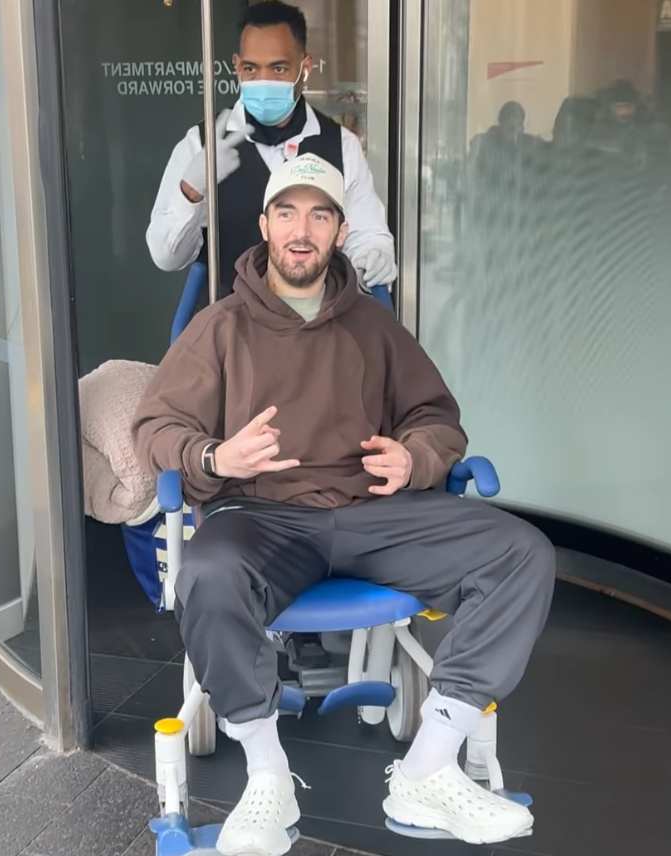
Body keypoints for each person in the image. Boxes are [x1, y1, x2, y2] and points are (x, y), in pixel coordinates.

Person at [133, 154, 556, 855]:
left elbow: (435, 417)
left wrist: (413, 457)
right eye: (288, 213)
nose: (303, 230)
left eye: (320, 214)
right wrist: (216, 458)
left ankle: (427, 770)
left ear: (339, 229)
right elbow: (156, 427)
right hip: (261, 514)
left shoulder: (372, 325)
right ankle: (266, 776)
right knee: (205, 573)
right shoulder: (220, 328)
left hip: (371, 512)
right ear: (265, 224)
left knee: (521, 554)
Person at [146, 0, 396, 298]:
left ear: (305, 68)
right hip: (233, 329)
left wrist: (373, 258)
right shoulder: (201, 145)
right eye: (251, 68)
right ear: (237, 66)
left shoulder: (341, 146)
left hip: (319, 325)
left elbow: (366, 237)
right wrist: (191, 191)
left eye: (278, 68)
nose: (263, 81)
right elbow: (165, 257)